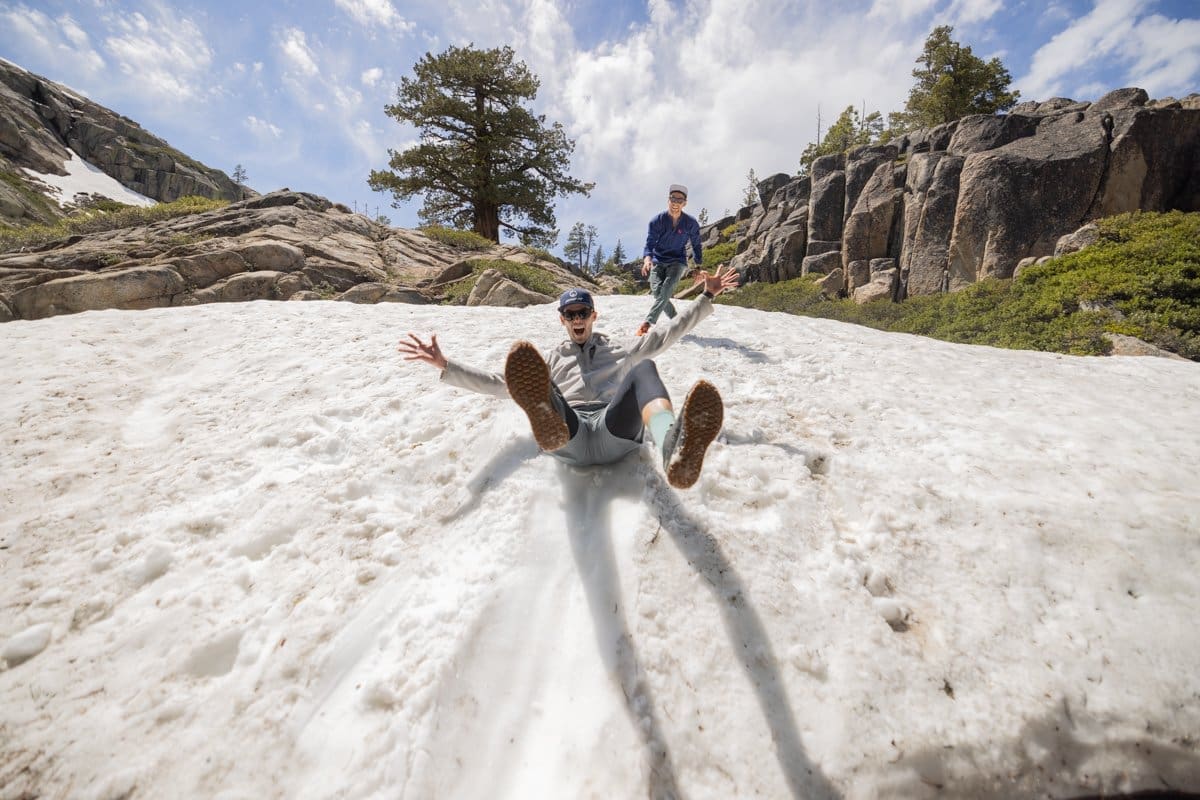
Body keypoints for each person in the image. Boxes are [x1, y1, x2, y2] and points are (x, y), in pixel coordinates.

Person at [398, 267, 740, 489]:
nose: (577, 319)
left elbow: (668, 333)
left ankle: (672, 447)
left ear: (594, 315)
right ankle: (547, 416)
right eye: (570, 314)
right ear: (562, 320)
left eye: (583, 313)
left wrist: (706, 297)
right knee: (534, 381)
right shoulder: (548, 360)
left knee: (644, 369)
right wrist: (446, 365)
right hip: (570, 432)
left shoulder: (620, 348)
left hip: (612, 430)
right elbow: (500, 384)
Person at [637, 183, 703, 337]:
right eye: (673, 199)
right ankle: (677, 321)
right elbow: (649, 244)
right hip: (658, 260)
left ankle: (647, 323)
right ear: (668, 200)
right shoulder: (656, 221)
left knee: (666, 289)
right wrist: (647, 260)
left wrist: (698, 266)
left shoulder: (690, 223)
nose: (676, 203)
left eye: (680, 200)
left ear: (684, 203)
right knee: (657, 292)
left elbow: (696, 245)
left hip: (677, 261)